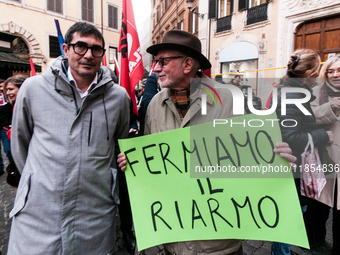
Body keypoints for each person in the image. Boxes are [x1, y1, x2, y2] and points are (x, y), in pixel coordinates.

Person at [118, 29, 296, 255]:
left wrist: (276, 162)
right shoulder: (154, 105)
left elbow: (254, 153)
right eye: (156, 61)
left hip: (218, 242)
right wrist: (134, 162)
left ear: (188, 64)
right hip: (173, 237)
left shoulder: (231, 99)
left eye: (163, 61)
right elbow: (156, 161)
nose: (156, 68)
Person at [7, 22, 129, 255]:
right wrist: (39, 180)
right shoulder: (33, 89)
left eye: (96, 49)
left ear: (103, 54)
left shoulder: (118, 97)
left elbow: (118, 144)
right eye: (80, 47)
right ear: (66, 48)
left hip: (94, 213)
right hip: (40, 212)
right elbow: (20, 146)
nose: (88, 55)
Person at [273, 49, 333, 255]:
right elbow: (291, 138)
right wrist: (323, 136)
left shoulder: (291, 90)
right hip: (293, 171)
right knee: (290, 220)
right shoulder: (293, 94)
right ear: (309, 74)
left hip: (294, 169)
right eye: (318, 71)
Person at [306, 54, 340, 255]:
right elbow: (307, 118)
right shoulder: (317, 92)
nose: (335, 75)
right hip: (323, 158)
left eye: (339, 71)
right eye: (331, 71)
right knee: (319, 205)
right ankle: (314, 240)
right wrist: (332, 106)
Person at [0, 78, 13, 176]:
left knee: (8, 149)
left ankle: (13, 166)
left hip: (4, 128)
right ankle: (0, 169)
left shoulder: (8, 97)